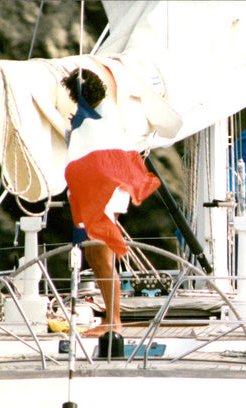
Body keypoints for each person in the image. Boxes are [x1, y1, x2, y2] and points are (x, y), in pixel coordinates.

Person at [62, 68, 160, 338]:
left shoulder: (98, 116)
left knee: (102, 254)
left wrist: (76, 130)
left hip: (105, 190)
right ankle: (110, 317)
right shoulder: (100, 113)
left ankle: (113, 321)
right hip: (103, 187)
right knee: (93, 254)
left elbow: (89, 144)